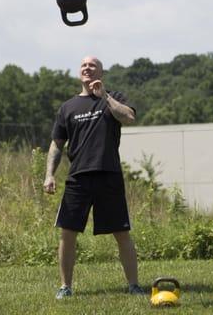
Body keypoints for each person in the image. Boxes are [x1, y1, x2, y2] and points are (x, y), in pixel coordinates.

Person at [43, 55, 144, 299]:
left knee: (122, 233)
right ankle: (65, 287)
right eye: (84, 65)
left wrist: (105, 97)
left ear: (101, 72)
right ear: (80, 72)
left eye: (92, 65)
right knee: (67, 233)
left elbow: (129, 117)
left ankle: (133, 285)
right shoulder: (68, 107)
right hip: (78, 178)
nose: (87, 68)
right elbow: (57, 144)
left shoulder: (113, 98)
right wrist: (49, 175)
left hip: (108, 174)